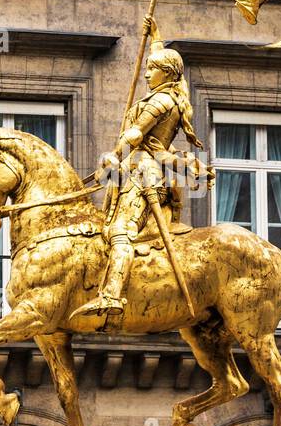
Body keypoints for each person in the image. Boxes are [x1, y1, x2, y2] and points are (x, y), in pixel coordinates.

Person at [71, 17, 213, 320]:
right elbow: (164, 59)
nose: (146, 74)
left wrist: (114, 153)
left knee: (121, 231)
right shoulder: (172, 94)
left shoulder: (161, 101)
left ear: (167, 74)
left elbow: (136, 134)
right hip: (140, 167)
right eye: (147, 68)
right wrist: (155, 35)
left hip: (144, 171)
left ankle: (112, 295)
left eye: (153, 69)